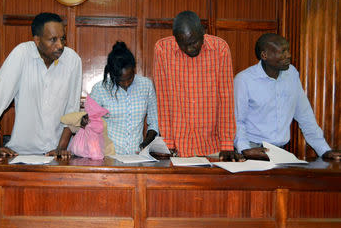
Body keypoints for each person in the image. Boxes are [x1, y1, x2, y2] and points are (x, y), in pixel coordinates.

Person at [0, 12, 82, 162]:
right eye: (53, 40)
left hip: (57, 153)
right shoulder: (21, 54)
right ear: (37, 40)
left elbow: (72, 110)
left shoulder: (73, 60)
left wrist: (61, 147)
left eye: (63, 38)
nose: (60, 45)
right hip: (21, 153)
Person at [234, 33, 341, 160]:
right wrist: (245, 150)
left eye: (288, 50)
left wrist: (324, 150)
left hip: (280, 152)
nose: (288, 55)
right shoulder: (244, 80)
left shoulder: (292, 74)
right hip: (252, 150)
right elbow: (237, 120)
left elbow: (305, 115)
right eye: (283, 52)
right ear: (264, 55)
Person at [153, 11, 236, 159]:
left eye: (194, 42)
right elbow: (163, 100)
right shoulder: (162, 50)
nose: (190, 48)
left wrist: (227, 144)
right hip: (178, 147)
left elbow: (226, 98)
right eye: (183, 45)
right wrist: (168, 143)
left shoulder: (220, 49)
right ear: (176, 39)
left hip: (212, 145)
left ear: (202, 33)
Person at [90, 41, 159, 154]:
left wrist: (145, 144)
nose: (126, 83)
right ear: (112, 74)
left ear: (134, 69)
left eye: (130, 78)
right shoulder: (100, 89)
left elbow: (154, 122)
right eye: (121, 81)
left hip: (137, 155)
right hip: (108, 155)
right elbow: (90, 124)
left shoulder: (146, 86)